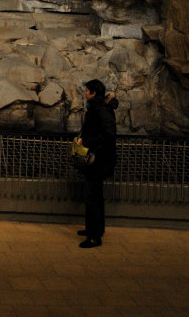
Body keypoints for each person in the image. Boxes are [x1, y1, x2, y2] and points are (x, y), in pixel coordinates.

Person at [77, 79, 118, 249]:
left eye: (86, 91)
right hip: (98, 159)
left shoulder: (100, 110)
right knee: (95, 195)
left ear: (93, 93)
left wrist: (87, 141)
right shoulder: (98, 108)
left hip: (98, 160)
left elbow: (108, 135)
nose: (84, 93)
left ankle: (94, 237)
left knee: (91, 196)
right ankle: (95, 229)